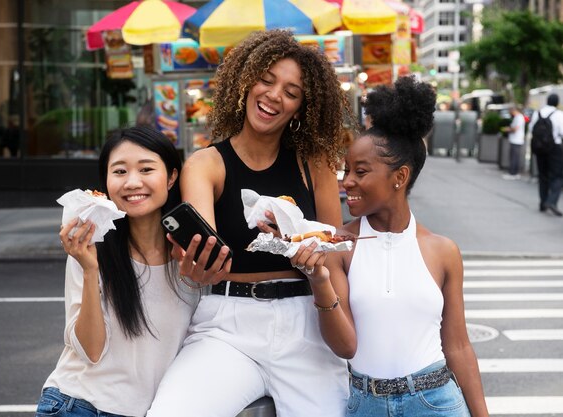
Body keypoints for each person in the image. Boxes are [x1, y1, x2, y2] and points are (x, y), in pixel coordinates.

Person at [147, 30, 355, 417]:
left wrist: (337, 313)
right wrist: (197, 268)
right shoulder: (205, 164)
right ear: (246, 80)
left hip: (306, 321)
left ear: (302, 108)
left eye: (292, 92)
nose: (275, 95)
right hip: (227, 325)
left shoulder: (316, 164)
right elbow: (204, 258)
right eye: (268, 79)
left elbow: (332, 256)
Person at [285, 76, 490, 416]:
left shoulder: (443, 251)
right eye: (346, 170)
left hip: (436, 401)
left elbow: (458, 345)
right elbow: (345, 346)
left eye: (360, 171)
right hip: (366, 402)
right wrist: (318, 280)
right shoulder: (339, 247)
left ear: (399, 177)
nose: (347, 181)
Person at [35, 126, 200, 417]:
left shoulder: (191, 254)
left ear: (172, 177)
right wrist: (89, 270)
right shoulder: (90, 248)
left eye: (147, 169)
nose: (132, 183)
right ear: (106, 181)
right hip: (81, 406)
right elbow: (91, 351)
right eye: (120, 172)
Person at [528, 93, 563, 216]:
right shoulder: (559, 115)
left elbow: (531, 129)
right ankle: (551, 201)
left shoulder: (537, 113)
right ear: (557, 103)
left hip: (539, 149)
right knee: (558, 176)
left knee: (542, 176)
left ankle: (543, 203)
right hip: (555, 149)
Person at [501, 105, 526, 180]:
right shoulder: (518, 117)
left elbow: (515, 129)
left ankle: (513, 173)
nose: (510, 113)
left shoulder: (519, 117)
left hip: (516, 140)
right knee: (514, 157)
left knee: (514, 157)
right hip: (515, 140)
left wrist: (508, 129)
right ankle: (514, 173)